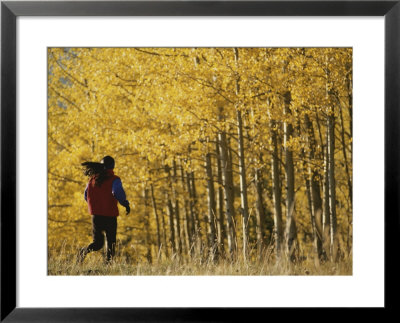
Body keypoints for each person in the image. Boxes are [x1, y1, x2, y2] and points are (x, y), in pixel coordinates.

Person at [77, 156, 130, 264]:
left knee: (97, 243)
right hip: (110, 215)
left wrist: (95, 205)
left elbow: (86, 195)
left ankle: (83, 251)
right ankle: (108, 265)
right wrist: (125, 204)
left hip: (96, 216)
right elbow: (117, 192)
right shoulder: (114, 179)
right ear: (113, 166)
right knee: (111, 242)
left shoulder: (92, 179)